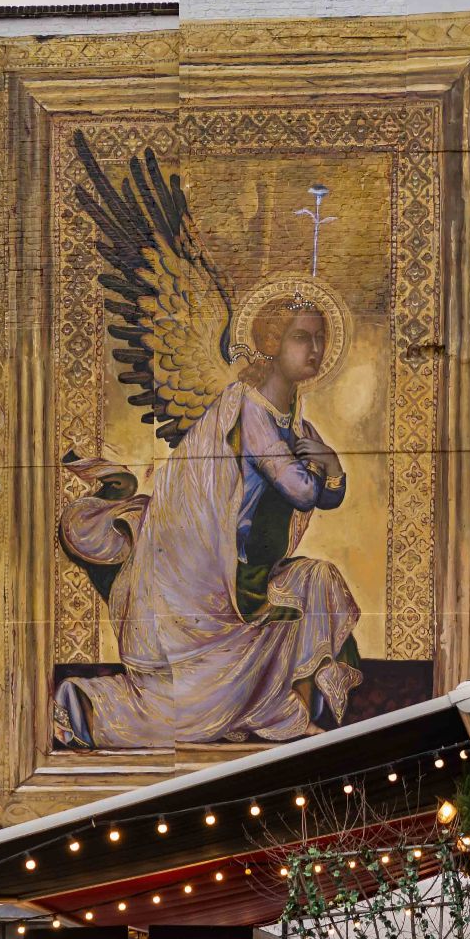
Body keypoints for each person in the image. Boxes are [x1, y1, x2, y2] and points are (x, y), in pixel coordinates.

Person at [54, 294, 364, 749]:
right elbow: (300, 489)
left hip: (257, 573)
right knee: (197, 703)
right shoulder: (251, 411)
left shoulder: (295, 423)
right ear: (272, 342)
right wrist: (327, 465)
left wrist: (331, 468)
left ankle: (295, 716)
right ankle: (89, 706)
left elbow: (327, 496)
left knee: (319, 579)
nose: (314, 350)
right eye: (302, 337)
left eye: (321, 339)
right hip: (222, 582)